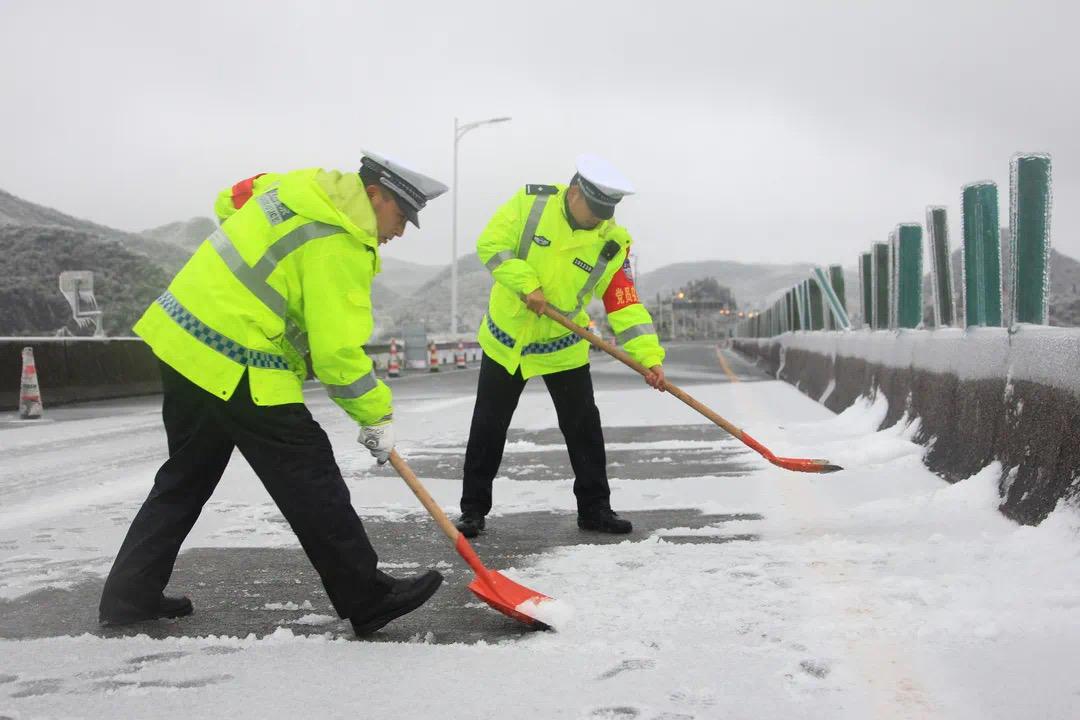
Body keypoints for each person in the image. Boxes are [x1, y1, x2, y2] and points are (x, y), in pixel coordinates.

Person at [99, 152, 449, 636]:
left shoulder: (298, 186)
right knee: (308, 470)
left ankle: (128, 594)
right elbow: (336, 354)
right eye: (400, 217)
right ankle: (366, 596)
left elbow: (230, 200)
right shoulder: (340, 243)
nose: (400, 231)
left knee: (186, 475)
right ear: (374, 196)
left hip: (179, 336)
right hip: (235, 354)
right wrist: (376, 416)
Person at [455, 154, 666, 538]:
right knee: (489, 424)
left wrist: (648, 358)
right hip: (509, 341)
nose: (598, 220)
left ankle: (595, 508)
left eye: (606, 213)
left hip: (563, 343)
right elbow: (492, 245)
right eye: (593, 211)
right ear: (573, 194)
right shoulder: (529, 203)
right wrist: (526, 283)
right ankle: (473, 510)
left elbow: (625, 304)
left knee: (583, 426)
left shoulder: (612, 243)